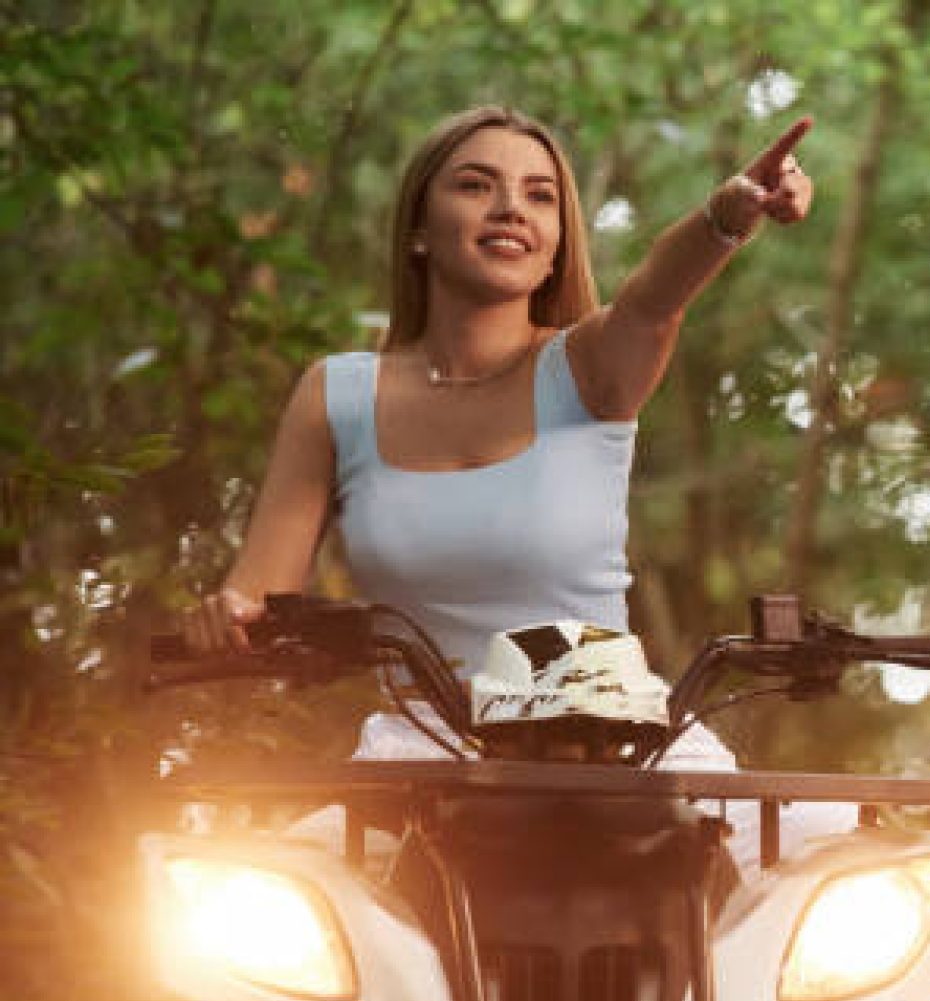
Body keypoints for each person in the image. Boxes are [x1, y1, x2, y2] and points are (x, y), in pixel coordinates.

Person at [179, 105, 831, 864]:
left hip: (622, 752)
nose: (510, 208)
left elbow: (655, 296)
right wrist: (225, 617)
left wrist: (725, 216)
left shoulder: (588, 370)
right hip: (418, 759)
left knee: (823, 904)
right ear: (419, 229)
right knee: (275, 923)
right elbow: (257, 599)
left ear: (556, 248)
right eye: (476, 185)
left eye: (539, 195)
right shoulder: (335, 395)